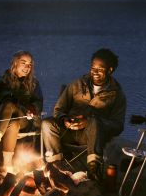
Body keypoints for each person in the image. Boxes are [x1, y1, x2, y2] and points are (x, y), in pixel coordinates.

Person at [42, 47, 126, 182]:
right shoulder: (76, 85)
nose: (95, 72)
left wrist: (92, 122)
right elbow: (59, 109)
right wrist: (64, 119)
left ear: (110, 70)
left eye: (100, 69)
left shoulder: (116, 94)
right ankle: (55, 165)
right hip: (69, 131)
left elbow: (118, 126)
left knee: (94, 121)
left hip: (92, 139)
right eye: (93, 67)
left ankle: (93, 170)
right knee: (46, 123)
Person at [0, 50, 43, 173]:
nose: (27, 67)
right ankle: (7, 166)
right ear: (14, 63)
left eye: (30, 64)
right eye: (23, 63)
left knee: (10, 105)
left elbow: (38, 103)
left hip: (25, 120)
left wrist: (32, 110)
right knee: (12, 121)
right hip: (4, 122)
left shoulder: (34, 84)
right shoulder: (1, 83)